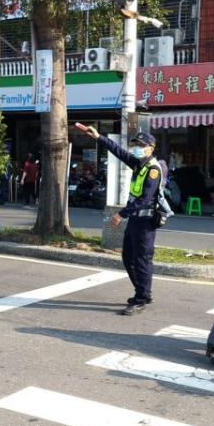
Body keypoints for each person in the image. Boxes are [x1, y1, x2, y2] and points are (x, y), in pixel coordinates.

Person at [77, 124, 162, 316]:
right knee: (128, 257)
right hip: (134, 221)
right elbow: (118, 151)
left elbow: (144, 199)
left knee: (141, 260)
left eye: (141, 145)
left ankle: (141, 299)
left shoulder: (153, 170)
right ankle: (144, 292)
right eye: (136, 145)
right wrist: (98, 137)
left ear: (151, 148)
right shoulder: (139, 164)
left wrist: (120, 214)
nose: (137, 148)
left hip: (145, 222)